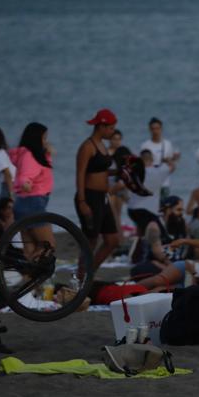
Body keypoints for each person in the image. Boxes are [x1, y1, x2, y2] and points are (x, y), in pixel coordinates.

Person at [75, 109, 122, 274]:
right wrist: (82, 201)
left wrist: (119, 172)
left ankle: (89, 272)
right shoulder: (88, 146)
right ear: (101, 126)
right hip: (89, 196)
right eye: (110, 128)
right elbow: (80, 174)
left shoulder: (102, 145)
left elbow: (101, 171)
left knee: (112, 240)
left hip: (103, 197)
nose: (112, 131)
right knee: (91, 240)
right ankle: (81, 276)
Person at [9, 122, 55, 255]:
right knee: (48, 246)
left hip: (23, 203)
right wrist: (25, 183)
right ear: (36, 138)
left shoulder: (28, 153)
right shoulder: (29, 155)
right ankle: (34, 274)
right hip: (32, 203)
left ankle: (30, 276)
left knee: (31, 248)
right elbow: (25, 174)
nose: (46, 141)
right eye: (44, 138)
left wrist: (47, 153)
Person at [127, 149, 176, 236]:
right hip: (148, 212)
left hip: (132, 210)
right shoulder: (159, 171)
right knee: (161, 236)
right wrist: (167, 160)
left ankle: (139, 247)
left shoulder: (134, 172)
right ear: (152, 159)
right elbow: (172, 167)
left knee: (142, 231)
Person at [140, 118, 180, 201]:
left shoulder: (167, 144)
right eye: (153, 129)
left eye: (157, 128)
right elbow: (141, 166)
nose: (155, 131)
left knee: (163, 208)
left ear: (161, 129)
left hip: (164, 183)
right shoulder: (145, 145)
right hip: (150, 183)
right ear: (149, 130)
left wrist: (172, 160)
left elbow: (172, 164)